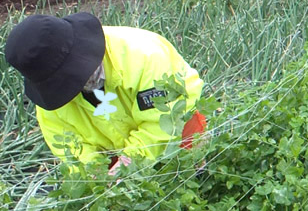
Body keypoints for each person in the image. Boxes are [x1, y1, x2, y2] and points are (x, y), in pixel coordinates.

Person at [4, 12, 206, 171]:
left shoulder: (143, 55)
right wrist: (96, 174)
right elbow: (73, 152)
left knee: (198, 182)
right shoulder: (49, 103)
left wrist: (129, 164)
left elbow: (163, 122)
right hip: (111, 154)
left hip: (178, 131)